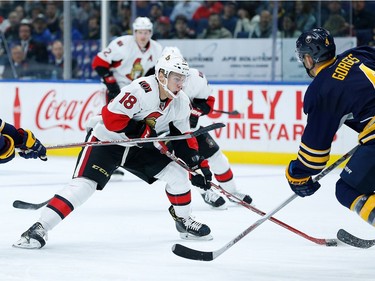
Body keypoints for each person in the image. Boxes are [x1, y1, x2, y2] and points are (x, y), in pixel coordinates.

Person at [13, 53, 214, 249]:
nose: (181, 84)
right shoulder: (141, 89)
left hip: (137, 148)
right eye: (177, 78)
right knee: (84, 186)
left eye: (183, 79)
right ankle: (38, 228)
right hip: (107, 142)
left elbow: (182, 140)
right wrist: (140, 131)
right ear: (162, 75)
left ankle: (184, 221)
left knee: (179, 176)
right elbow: (111, 118)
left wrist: (198, 166)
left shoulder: (181, 102)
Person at [286, 28, 375, 228]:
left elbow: (314, 158)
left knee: (346, 190)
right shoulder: (360, 53)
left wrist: (296, 174)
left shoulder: (322, 89)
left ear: (309, 59)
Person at [161, 47, 253, 208]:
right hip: (169, 133)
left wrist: (197, 110)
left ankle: (231, 191)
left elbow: (207, 103)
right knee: (189, 162)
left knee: (217, 157)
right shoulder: (154, 84)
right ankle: (205, 192)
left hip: (190, 128)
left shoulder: (196, 78)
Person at [92, 16, 162, 177]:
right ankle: (104, 158)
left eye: (146, 32)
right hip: (118, 87)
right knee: (113, 123)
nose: (143, 36)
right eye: (139, 32)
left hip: (137, 90)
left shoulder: (157, 49)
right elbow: (99, 62)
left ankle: (127, 157)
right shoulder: (122, 44)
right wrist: (112, 85)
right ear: (134, 32)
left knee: (135, 124)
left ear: (151, 33)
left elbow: (154, 72)